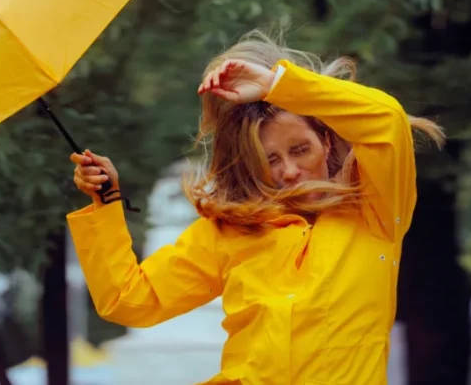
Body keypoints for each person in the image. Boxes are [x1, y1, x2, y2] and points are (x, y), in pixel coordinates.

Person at [67, 30, 445, 384]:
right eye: (271, 159)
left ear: (326, 142)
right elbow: (129, 300)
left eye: (300, 149)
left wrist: (279, 86)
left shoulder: (375, 209)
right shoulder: (229, 231)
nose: (290, 171)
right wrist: (106, 201)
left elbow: (387, 121)